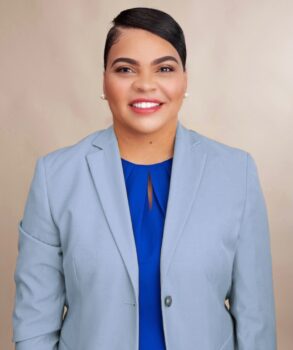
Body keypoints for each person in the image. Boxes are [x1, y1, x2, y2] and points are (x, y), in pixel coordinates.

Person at [12, 7, 276, 350]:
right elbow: (35, 323)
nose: (146, 84)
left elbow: (256, 320)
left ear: (184, 80)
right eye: (125, 69)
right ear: (104, 82)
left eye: (164, 68)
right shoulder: (55, 177)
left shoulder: (236, 173)